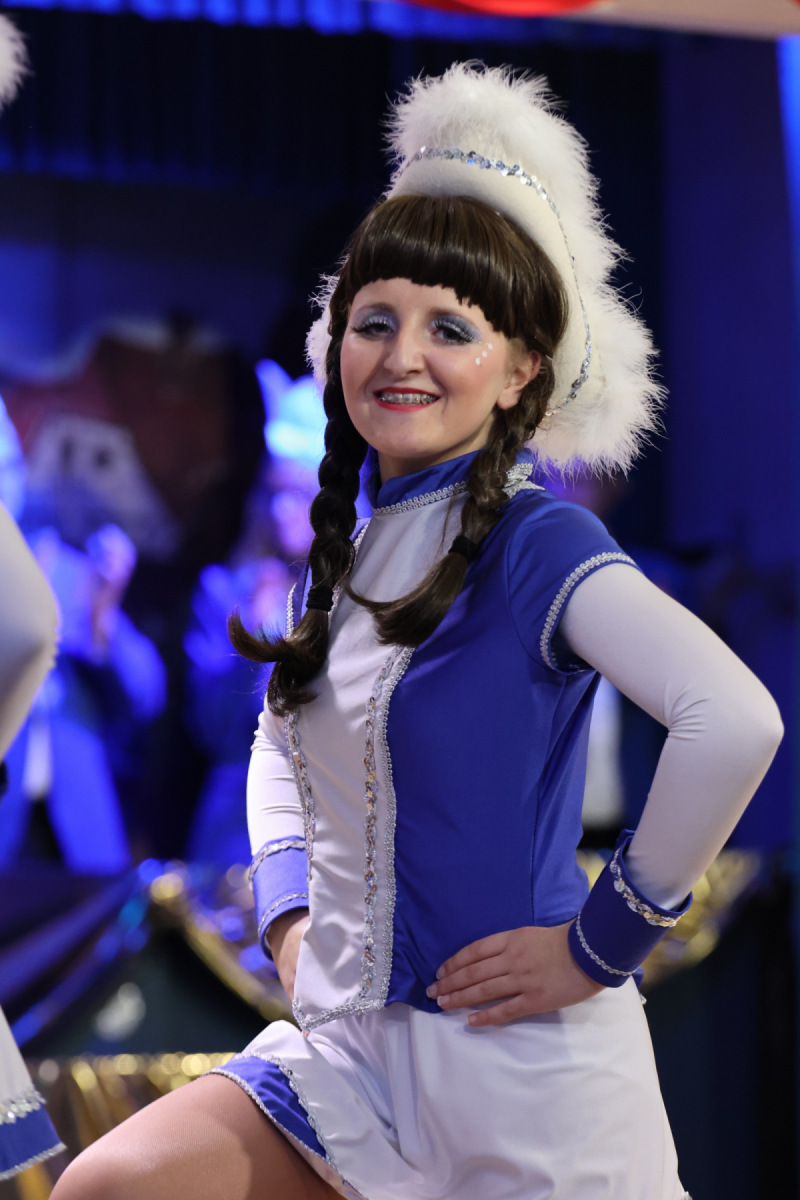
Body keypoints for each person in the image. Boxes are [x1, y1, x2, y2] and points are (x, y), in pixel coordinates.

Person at [51, 63, 783, 1200]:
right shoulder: (343, 554)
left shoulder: (539, 543)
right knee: (110, 1186)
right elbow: (276, 739)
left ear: (519, 370)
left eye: (449, 327)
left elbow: (732, 720)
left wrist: (601, 942)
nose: (401, 356)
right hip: (348, 1062)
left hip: (521, 1085)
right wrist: (287, 912)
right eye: (374, 322)